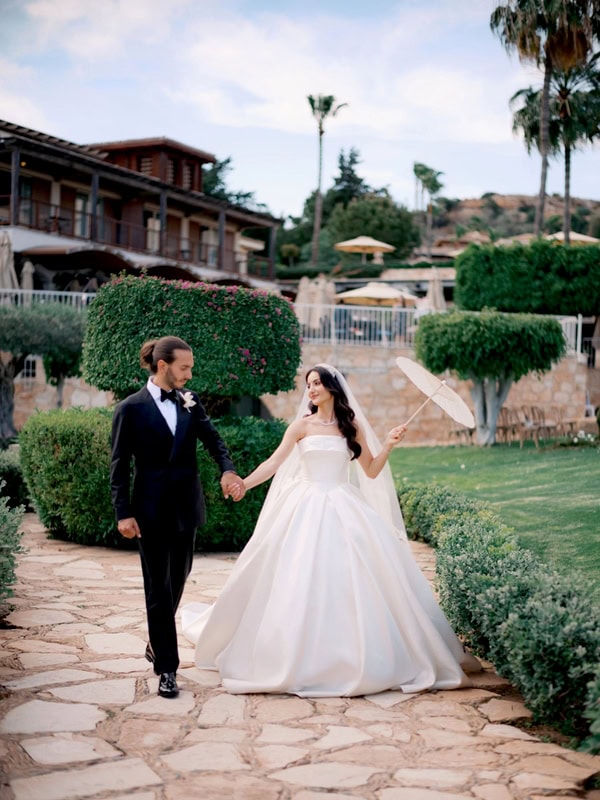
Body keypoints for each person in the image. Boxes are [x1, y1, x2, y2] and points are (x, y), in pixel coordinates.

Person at [182, 363, 480, 697]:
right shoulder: (300, 427)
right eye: (308, 384)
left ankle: (354, 654)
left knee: (351, 578)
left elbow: (370, 470)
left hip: (343, 506)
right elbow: (273, 464)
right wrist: (244, 484)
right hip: (304, 506)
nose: (311, 389)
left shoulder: (350, 426)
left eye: (317, 383)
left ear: (331, 388)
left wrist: (389, 445)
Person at [110, 336, 244, 699]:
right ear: (163, 364)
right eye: (184, 368)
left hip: (187, 507)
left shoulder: (190, 401)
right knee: (158, 588)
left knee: (179, 578)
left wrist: (227, 470)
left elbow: (214, 440)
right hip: (149, 512)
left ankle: (157, 640)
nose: (189, 374)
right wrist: (123, 512)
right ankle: (167, 667)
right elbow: (119, 466)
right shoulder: (130, 409)